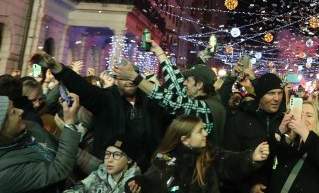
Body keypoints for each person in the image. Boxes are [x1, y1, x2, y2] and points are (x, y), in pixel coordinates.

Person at [39, 52, 169, 171]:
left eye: (132, 77)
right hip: (111, 170)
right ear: (116, 80)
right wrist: (58, 68)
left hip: (147, 169)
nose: (129, 81)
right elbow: (83, 88)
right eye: (124, 78)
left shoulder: (153, 100)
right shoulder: (106, 98)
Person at [0, 94, 82, 192]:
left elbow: (60, 147)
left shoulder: (28, 126)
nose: (21, 111)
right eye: (12, 113)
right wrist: (69, 123)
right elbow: (59, 169)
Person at [113, 40, 226, 146]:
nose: (184, 84)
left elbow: (171, 100)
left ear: (199, 85)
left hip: (201, 163)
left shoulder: (208, 108)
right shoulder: (204, 97)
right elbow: (176, 81)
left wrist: (134, 77)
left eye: (188, 81)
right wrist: (158, 51)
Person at [126, 115, 269, 193]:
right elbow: (154, 177)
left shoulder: (209, 153)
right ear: (185, 139)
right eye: (200, 131)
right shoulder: (166, 159)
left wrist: (251, 157)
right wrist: (140, 184)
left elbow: (230, 161)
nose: (205, 133)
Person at [224, 72, 286, 193]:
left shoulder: (285, 121)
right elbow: (229, 161)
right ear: (260, 96)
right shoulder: (239, 121)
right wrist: (248, 188)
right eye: (271, 93)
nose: (277, 98)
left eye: (280, 93)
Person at [268, 99, 319, 192]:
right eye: (300, 115)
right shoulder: (289, 142)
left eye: (309, 115)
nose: (303, 119)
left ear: (318, 120)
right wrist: (280, 130)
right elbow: (266, 157)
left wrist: (304, 132)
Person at [63, 135, 141, 192]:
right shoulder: (101, 172)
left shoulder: (134, 185)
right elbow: (83, 186)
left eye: (117, 155)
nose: (109, 160)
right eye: (107, 154)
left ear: (129, 159)